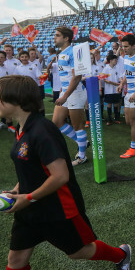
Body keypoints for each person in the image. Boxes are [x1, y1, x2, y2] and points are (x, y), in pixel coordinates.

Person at [0, 75, 131, 270]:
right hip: (30, 207)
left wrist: (28, 197)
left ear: (17, 99)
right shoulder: (22, 127)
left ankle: (121, 255)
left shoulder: (42, 129)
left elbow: (60, 176)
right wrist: (16, 190)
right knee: (16, 258)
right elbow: (30, 166)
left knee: (79, 252)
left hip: (58, 210)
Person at [52, 27, 88, 166]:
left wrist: (65, 95)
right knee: (57, 122)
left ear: (66, 38)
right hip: (66, 92)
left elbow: (77, 76)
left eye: (57, 35)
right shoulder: (61, 53)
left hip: (75, 92)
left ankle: (82, 156)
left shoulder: (73, 52)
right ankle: (82, 142)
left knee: (78, 126)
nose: (54, 38)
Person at [101, 55, 122, 125]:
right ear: (110, 61)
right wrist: (113, 83)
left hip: (116, 89)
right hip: (109, 90)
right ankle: (109, 120)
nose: (116, 61)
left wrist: (121, 82)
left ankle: (116, 118)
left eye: (116, 60)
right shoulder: (106, 68)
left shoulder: (117, 68)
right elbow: (104, 79)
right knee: (109, 104)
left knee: (116, 104)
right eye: (115, 60)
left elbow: (120, 77)